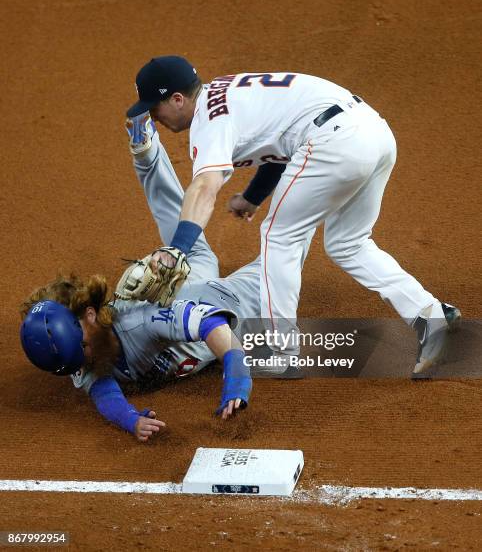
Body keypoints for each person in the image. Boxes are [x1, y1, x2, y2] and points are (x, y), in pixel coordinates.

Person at [126, 56, 461, 374]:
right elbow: (280, 144)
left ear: (178, 99)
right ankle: (429, 315)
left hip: (335, 142)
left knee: (278, 236)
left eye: (155, 110)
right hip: (374, 133)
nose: (156, 119)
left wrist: (178, 250)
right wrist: (253, 197)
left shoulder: (207, 122)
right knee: (349, 243)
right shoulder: (227, 90)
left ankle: (281, 351)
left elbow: (203, 187)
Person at [20, 135, 258, 442]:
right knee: (187, 243)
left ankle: (312, 193)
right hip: (187, 284)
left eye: (83, 351)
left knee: (277, 265)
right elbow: (103, 390)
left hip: (214, 300)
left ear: (90, 315)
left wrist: (236, 372)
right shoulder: (72, 350)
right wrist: (130, 420)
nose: (85, 362)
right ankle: (148, 153)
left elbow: (212, 323)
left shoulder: (139, 323)